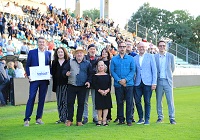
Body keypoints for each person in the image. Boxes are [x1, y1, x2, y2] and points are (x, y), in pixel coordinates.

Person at [24, 37, 51, 127]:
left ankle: (39, 118)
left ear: (45, 43)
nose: (41, 43)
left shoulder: (48, 53)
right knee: (31, 97)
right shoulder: (32, 52)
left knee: (42, 99)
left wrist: (49, 74)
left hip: (44, 80)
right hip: (34, 79)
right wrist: (29, 75)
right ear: (37, 43)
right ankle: (27, 119)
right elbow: (27, 65)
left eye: (43, 42)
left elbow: (49, 66)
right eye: (40, 42)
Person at [62, 46, 92, 127]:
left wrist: (89, 82)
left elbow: (90, 74)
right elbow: (64, 70)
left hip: (82, 86)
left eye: (81, 53)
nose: (79, 54)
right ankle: (69, 120)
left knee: (81, 103)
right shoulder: (70, 62)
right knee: (70, 103)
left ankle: (79, 120)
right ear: (75, 54)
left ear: (83, 54)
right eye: (77, 53)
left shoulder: (87, 63)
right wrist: (66, 73)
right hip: (72, 85)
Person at [110, 40, 136, 126]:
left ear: (126, 48)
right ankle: (121, 119)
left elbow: (133, 71)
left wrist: (125, 80)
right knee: (119, 102)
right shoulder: (114, 59)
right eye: (120, 47)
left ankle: (129, 119)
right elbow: (112, 71)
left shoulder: (131, 59)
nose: (122, 48)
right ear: (118, 48)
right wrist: (119, 80)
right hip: (118, 84)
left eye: (124, 47)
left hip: (129, 84)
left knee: (129, 102)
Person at [134, 42, 157, 125]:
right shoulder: (135, 58)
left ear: (146, 48)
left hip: (148, 82)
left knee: (147, 101)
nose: (141, 48)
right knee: (137, 101)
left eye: (143, 47)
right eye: (140, 47)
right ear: (137, 48)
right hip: (137, 83)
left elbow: (154, 70)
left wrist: (154, 83)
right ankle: (141, 118)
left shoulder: (150, 57)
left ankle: (147, 119)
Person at [154, 40, 176, 124]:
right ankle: (160, 117)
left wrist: (168, 76)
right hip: (158, 81)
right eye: (160, 45)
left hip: (167, 81)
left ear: (166, 46)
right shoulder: (155, 57)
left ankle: (172, 118)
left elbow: (172, 68)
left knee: (170, 100)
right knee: (159, 101)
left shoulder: (171, 56)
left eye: (163, 45)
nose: (162, 47)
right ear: (158, 47)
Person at [52, 47, 69, 124]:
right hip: (58, 85)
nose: (60, 54)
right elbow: (53, 73)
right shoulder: (54, 63)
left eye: (61, 52)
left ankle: (65, 117)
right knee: (59, 102)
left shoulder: (68, 62)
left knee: (65, 101)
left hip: (66, 84)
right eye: (59, 52)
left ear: (64, 53)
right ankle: (61, 118)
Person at [82, 44, 98, 124]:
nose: (92, 50)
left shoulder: (98, 59)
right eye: (91, 49)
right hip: (86, 81)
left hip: (95, 82)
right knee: (85, 100)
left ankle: (95, 116)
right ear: (88, 50)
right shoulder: (84, 58)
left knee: (95, 100)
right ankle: (85, 116)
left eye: (94, 49)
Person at [93, 61, 112, 126]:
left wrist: (107, 91)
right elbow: (95, 85)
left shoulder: (108, 75)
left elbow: (110, 85)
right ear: (97, 67)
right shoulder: (95, 76)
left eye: (102, 65)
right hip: (98, 93)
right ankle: (99, 120)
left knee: (106, 106)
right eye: (99, 66)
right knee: (99, 107)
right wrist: (100, 91)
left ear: (104, 67)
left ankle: (104, 120)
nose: (100, 67)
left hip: (107, 93)